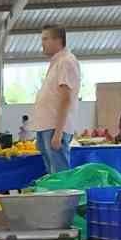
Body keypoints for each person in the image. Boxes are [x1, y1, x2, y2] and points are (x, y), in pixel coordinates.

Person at [31, 25, 81, 173]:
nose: (42, 43)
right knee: (52, 174)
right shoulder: (57, 63)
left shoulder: (66, 61)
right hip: (47, 126)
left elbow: (66, 99)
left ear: (58, 40)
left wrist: (58, 133)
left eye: (45, 39)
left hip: (55, 127)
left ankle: (63, 197)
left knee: (59, 174)